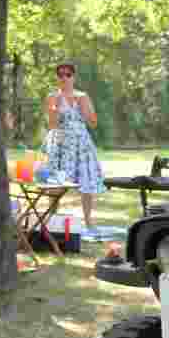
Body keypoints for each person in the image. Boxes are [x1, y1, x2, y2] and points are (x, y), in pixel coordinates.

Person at [43, 62, 106, 231]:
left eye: (68, 74)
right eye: (60, 74)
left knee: (86, 180)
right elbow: (51, 125)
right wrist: (55, 107)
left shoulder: (82, 96)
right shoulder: (52, 97)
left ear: (73, 77)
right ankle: (52, 218)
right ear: (57, 77)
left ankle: (88, 220)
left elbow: (93, 122)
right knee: (56, 183)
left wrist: (84, 109)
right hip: (60, 144)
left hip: (81, 143)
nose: (64, 77)